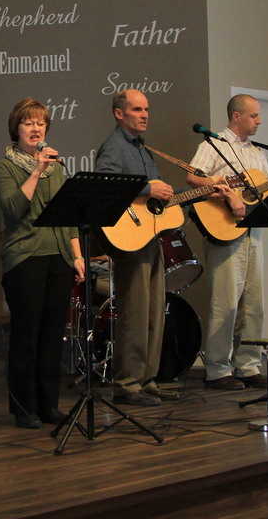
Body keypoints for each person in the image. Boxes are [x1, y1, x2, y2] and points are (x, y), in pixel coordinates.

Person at [187, 93, 268, 390]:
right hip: (223, 228)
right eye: (254, 115)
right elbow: (194, 178)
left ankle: (248, 365)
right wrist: (225, 191)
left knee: (253, 302)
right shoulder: (214, 144)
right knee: (225, 302)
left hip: (252, 230)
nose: (259, 121)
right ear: (236, 116)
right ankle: (218, 369)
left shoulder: (256, 152)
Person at [0, 98, 85, 429]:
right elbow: (13, 209)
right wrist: (36, 172)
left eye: (41, 123)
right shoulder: (6, 167)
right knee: (26, 334)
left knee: (52, 335)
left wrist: (76, 254)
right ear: (16, 129)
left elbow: (68, 216)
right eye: (28, 123)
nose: (35, 129)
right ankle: (23, 407)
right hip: (25, 257)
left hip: (58, 256)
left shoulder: (57, 167)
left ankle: (48, 405)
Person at [94, 89, 176, 406]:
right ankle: (127, 382)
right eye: (137, 109)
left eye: (147, 109)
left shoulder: (144, 149)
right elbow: (103, 184)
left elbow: (154, 198)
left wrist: (203, 191)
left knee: (155, 310)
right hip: (129, 241)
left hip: (149, 236)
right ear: (119, 113)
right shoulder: (114, 147)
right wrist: (147, 187)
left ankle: (147, 378)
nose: (144, 115)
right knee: (135, 311)